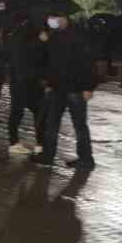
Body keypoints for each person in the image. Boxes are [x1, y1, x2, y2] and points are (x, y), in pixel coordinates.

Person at [33, 13, 97, 169]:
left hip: (75, 89)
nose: (51, 20)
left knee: (79, 126)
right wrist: (43, 43)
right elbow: (50, 61)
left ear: (64, 18)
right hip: (57, 88)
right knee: (51, 124)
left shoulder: (78, 35)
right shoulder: (55, 35)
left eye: (54, 17)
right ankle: (48, 155)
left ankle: (86, 160)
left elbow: (88, 62)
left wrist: (88, 87)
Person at [6, 20, 47, 155]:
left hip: (20, 81)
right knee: (37, 113)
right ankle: (39, 144)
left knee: (18, 112)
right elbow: (30, 54)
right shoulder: (29, 35)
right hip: (28, 81)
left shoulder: (14, 35)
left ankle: (14, 142)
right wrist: (41, 41)